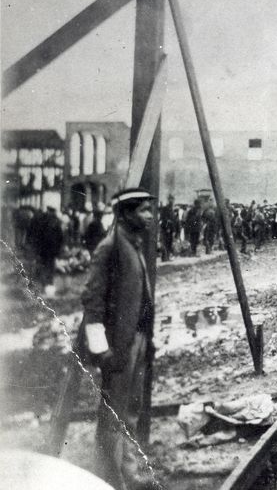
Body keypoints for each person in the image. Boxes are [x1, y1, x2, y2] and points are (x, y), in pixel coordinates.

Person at [78, 187, 158, 489]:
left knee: (130, 411)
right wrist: (101, 350)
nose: (150, 216)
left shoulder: (133, 243)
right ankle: (109, 480)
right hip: (117, 347)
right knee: (113, 416)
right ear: (125, 214)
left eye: (150, 210)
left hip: (136, 340)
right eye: (143, 210)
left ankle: (129, 473)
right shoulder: (109, 247)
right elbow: (92, 301)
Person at [29, 205, 65, 295]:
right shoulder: (56, 222)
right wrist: (59, 249)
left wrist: (37, 248)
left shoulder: (42, 221)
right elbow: (60, 237)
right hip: (52, 249)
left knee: (44, 265)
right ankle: (49, 284)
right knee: (50, 266)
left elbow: (38, 235)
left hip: (44, 248)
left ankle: (45, 284)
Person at [159, 194, 178, 261]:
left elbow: (173, 220)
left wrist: (174, 229)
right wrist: (167, 227)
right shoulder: (165, 208)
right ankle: (164, 257)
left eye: (172, 199)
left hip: (171, 229)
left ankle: (167, 257)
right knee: (165, 242)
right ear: (168, 200)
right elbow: (163, 218)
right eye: (170, 199)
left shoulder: (172, 209)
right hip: (166, 228)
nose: (172, 201)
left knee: (169, 243)